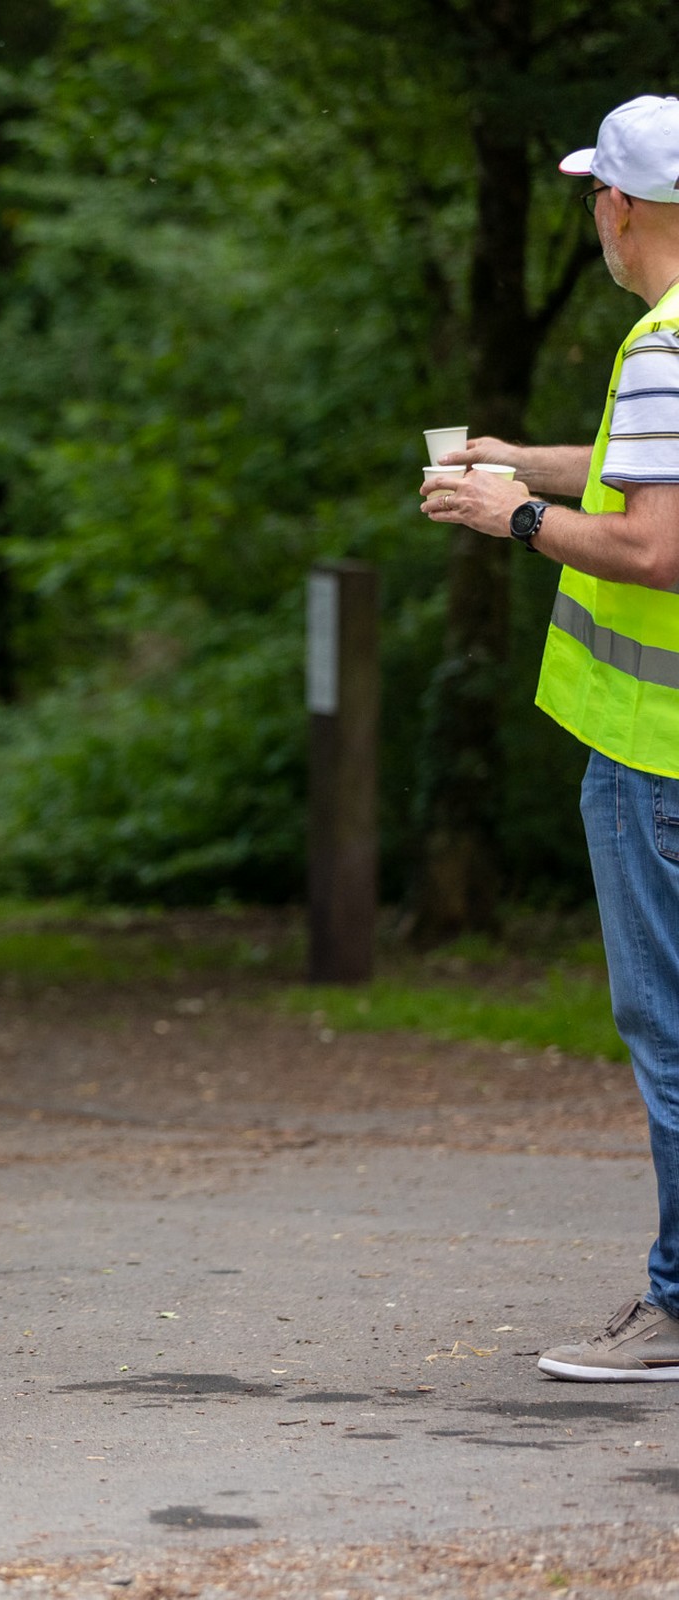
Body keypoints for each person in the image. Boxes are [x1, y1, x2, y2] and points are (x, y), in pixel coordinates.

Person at [421, 94, 679, 1382]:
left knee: (668, 1029)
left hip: (654, 753)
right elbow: (645, 471)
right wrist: (524, 459)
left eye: (594, 196)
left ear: (616, 207)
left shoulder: (663, 343)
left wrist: (510, 516)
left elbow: (654, 545)